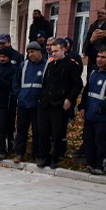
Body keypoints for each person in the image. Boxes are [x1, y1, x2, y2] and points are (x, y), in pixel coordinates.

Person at [38, 39, 84, 169]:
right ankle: (44, 157)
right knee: (43, 131)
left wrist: (69, 99)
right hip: (46, 102)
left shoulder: (71, 65)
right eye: (52, 51)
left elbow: (77, 85)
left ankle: (55, 158)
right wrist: (42, 97)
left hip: (59, 104)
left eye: (56, 51)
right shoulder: (51, 64)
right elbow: (46, 83)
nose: (53, 54)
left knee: (57, 133)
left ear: (64, 49)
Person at [79, 47, 106, 175]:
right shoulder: (93, 71)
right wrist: (82, 106)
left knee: (102, 141)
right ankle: (90, 163)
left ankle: (101, 165)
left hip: (104, 117)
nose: (99, 59)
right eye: (98, 56)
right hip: (90, 114)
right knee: (88, 139)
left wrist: (101, 108)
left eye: (103, 57)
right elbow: (87, 90)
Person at [12, 41, 46, 163]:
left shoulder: (46, 65)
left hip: (38, 104)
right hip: (23, 103)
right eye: (29, 52)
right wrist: (19, 95)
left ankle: (37, 155)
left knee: (38, 131)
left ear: (39, 51)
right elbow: (15, 82)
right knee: (21, 130)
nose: (30, 54)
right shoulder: (23, 65)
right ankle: (19, 153)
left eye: (33, 52)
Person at [83, 8, 106, 80]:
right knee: (90, 75)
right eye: (99, 13)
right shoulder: (93, 26)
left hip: (103, 55)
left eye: (102, 13)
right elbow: (88, 39)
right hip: (92, 55)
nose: (100, 15)